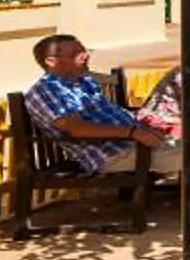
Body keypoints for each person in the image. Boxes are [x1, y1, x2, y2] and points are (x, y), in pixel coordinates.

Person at [24, 34, 171, 177]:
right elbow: (77, 129)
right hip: (113, 155)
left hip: (139, 144)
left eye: (85, 51)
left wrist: (147, 124)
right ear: (51, 61)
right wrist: (133, 132)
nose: (86, 56)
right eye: (76, 54)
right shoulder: (48, 90)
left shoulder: (84, 82)